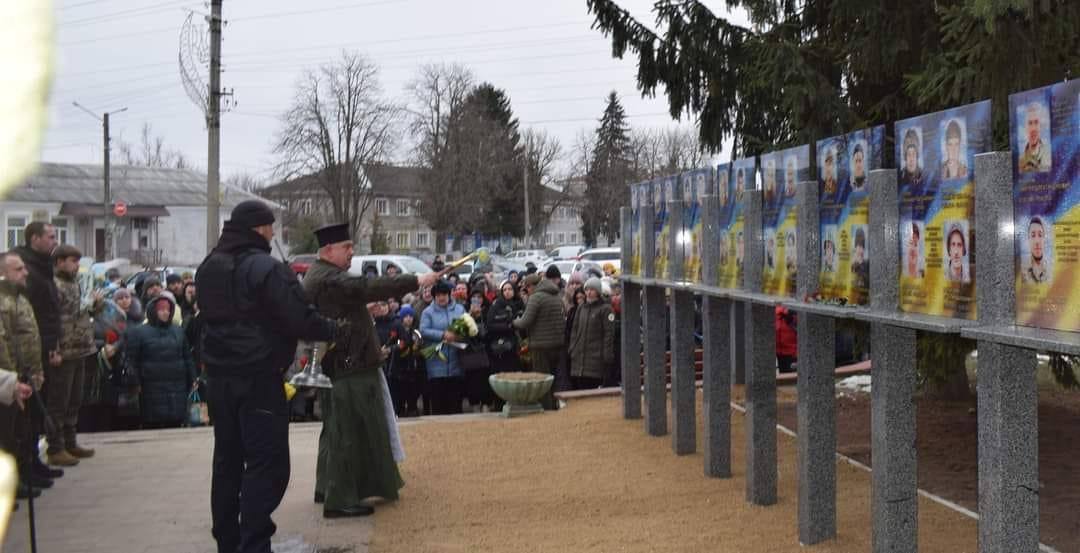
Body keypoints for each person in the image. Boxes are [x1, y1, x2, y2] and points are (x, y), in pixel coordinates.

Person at [197, 201, 344, 553]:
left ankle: (228, 542)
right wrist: (334, 329)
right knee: (268, 464)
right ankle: (255, 542)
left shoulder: (208, 267)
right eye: (270, 226)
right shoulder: (266, 268)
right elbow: (297, 317)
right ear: (259, 229)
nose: (273, 232)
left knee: (227, 460)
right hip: (258, 378)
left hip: (219, 378)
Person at [302, 222, 435, 519]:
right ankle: (341, 499)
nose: (352, 252)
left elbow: (349, 301)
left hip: (341, 362)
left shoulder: (321, 273)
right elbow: (364, 286)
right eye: (346, 247)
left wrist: (364, 309)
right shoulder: (330, 277)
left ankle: (327, 487)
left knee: (335, 429)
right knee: (349, 432)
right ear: (328, 250)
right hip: (349, 364)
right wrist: (416, 279)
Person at [0, 251, 55, 498]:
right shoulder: (3, 301)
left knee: (24, 430)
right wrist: (11, 379)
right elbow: (4, 344)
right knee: (8, 436)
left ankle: (26, 470)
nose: (25, 272)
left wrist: (36, 371)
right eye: (18, 269)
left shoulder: (20, 297)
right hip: (10, 379)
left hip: (24, 375)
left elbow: (29, 336)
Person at [13, 223, 62, 478]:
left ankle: (33, 461)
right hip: (27, 355)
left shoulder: (42, 267)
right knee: (25, 414)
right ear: (35, 239)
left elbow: (49, 313)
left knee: (37, 411)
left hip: (42, 348)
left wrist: (53, 345)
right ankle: (23, 467)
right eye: (51, 236)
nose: (56, 240)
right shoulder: (29, 268)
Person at [49, 244, 104, 466]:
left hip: (80, 347)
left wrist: (95, 306)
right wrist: (54, 348)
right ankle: (55, 446)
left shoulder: (73, 284)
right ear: (60, 262)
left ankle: (70, 441)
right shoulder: (55, 285)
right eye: (73, 261)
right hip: (64, 349)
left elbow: (79, 313)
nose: (76, 266)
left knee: (74, 400)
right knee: (59, 402)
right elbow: (55, 318)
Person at [127, 295, 196, 428]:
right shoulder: (140, 332)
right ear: (154, 311)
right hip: (150, 386)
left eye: (168, 309)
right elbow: (132, 360)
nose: (166, 312)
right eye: (161, 309)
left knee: (175, 423)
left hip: (177, 386)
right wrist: (135, 382)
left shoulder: (178, 331)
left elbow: (187, 357)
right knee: (153, 423)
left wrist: (193, 378)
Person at [513, 273, 565, 410]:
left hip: (540, 346)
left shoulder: (536, 297)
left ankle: (546, 410)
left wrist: (513, 321)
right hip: (557, 344)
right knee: (554, 380)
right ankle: (555, 407)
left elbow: (525, 322)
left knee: (542, 382)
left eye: (527, 288)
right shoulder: (556, 295)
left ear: (532, 286)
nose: (526, 291)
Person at [420, 279, 466, 415]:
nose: (442, 298)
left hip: (456, 362)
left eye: (444, 294)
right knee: (439, 405)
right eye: (438, 295)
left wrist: (459, 335)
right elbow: (423, 330)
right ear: (434, 297)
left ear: (449, 295)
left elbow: (466, 326)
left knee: (456, 404)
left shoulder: (459, 309)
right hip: (436, 363)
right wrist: (442, 335)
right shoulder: (428, 312)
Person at [566, 278, 614, 390]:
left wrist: (606, 355)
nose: (588, 292)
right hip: (578, 359)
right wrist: (572, 348)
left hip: (595, 359)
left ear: (598, 291)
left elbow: (609, 334)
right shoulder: (582, 308)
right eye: (587, 289)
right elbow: (575, 330)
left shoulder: (605, 309)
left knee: (591, 389)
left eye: (592, 289)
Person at [386, 304, 424, 417]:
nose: (408, 318)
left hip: (412, 369)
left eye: (411, 316)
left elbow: (420, 347)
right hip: (399, 371)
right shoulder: (397, 332)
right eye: (406, 316)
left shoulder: (416, 333)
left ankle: (413, 410)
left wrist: (417, 346)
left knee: (412, 397)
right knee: (399, 399)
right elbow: (396, 346)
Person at [486, 281, 524, 375]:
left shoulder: (520, 304)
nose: (507, 292)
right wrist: (508, 326)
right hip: (503, 344)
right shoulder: (497, 305)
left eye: (510, 289)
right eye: (504, 290)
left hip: (519, 344)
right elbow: (490, 324)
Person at [1020, 102, 1051, 173]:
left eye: (1036, 122)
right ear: (1025, 127)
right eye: (1030, 123)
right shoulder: (1020, 160)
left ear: (1041, 127)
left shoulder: (1049, 156)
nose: (1033, 129)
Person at [1023, 217, 1049, 283]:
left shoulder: (1051, 271)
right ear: (1028, 240)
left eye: (1040, 235)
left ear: (1044, 239)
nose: (1037, 241)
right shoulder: (1022, 272)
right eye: (1033, 235)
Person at [775, 306, 797, 373]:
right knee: (784, 377)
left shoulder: (794, 312)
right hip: (780, 353)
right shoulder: (776, 312)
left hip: (793, 353)